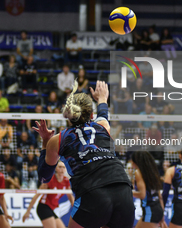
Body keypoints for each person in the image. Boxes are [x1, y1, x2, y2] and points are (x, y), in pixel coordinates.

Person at [33, 80, 135, 228]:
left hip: (92, 192)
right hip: (123, 189)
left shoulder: (58, 139)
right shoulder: (103, 127)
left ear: (68, 115)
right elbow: (103, 113)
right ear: (91, 115)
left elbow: (44, 177)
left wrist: (45, 143)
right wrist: (102, 99)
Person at [23, 161, 74, 227]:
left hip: (51, 209)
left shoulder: (66, 181)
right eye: (60, 167)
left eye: (63, 167)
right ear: (56, 168)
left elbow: (70, 197)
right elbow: (37, 195)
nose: (62, 169)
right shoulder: (49, 180)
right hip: (43, 207)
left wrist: (76, 211)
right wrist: (28, 211)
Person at [131, 151, 166, 228]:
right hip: (157, 209)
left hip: (150, 211)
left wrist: (129, 192)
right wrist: (162, 213)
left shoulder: (138, 172)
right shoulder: (152, 172)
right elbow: (159, 196)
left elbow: (142, 194)